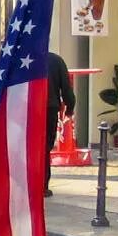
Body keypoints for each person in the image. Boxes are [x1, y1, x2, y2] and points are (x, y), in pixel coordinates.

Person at [44, 50, 76, 197]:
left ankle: (27, 184)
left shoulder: (22, 58)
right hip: (49, 108)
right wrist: (70, 107)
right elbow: (66, 87)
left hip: (28, 109)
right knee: (44, 148)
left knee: (28, 147)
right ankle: (43, 185)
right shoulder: (56, 60)